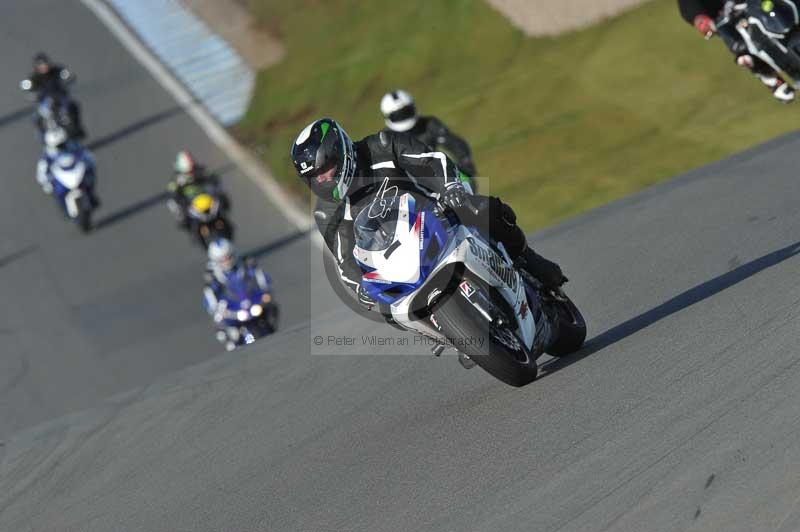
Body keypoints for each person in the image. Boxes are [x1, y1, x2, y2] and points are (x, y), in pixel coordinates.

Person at [291, 117, 566, 311]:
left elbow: (431, 161)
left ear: (340, 152)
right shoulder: (327, 213)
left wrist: (450, 186)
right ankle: (448, 332)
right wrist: (359, 287)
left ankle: (529, 260)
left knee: (482, 208)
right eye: (315, 176)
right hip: (394, 257)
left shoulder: (382, 146)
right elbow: (344, 261)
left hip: (438, 214)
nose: (324, 178)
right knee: (384, 307)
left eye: (325, 168)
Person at [678, 0, 795, 102]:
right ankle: (768, 76)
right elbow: (691, 10)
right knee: (740, 45)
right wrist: (702, 20)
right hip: (730, 18)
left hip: (755, 4)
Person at [380, 90, 478, 183]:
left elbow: (453, 142)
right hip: (408, 187)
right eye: (398, 115)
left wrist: (465, 161)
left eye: (406, 112)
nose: (403, 117)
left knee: (467, 182)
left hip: (438, 175)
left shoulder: (429, 125)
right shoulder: (384, 139)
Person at [203, 238, 273, 350]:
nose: (227, 261)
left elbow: (260, 277)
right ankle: (232, 347)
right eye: (223, 260)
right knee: (223, 327)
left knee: (270, 306)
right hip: (232, 309)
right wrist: (218, 309)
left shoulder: (245, 264)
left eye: (229, 257)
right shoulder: (213, 276)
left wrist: (265, 291)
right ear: (216, 261)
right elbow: (209, 296)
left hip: (250, 301)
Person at [21, 53, 86, 137]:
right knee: (36, 118)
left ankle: (76, 129)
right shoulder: (34, 77)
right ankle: (42, 136)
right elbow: (27, 87)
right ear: (36, 67)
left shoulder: (56, 70)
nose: (44, 67)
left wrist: (68, 78)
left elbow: (67, 75)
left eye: (45, 64)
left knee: (73, 107)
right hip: (44, 101)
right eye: (41, 65)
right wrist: (32, 95)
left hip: (61, 97)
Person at [166, 150, 223, 226]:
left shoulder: (200, 170)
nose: (190, 173)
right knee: (178, 211)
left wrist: (214, 187)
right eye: (188, 172)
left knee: (222, 200)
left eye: (191, 170)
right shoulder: (176, 180)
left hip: (206, 197)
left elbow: (213, 178)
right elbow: (172, 194)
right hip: (190, 203)